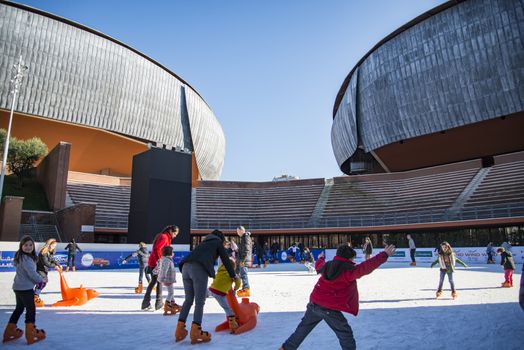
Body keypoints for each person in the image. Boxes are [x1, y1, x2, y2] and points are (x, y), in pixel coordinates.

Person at [279, 244, 396, 350]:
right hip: (328, 308)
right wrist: (384, 255)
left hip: (314, 304)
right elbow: (366, 267)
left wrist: (320, 258)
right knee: (345, 334)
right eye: (352, 259)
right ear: (348, 258)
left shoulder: (327, 265)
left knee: (301, 331)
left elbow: (319, 265)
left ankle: (285, 349)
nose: (353, 261)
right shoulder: (349, 270)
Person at [175, 229, 236, 345]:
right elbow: (226, 261)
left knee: (188, 300)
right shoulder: (218, 242)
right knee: (199, 301)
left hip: (185, 267)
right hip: (198, 268)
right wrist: (233, 275)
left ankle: (179, 330)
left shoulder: (204, 242)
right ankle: (196, 331)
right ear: (221, 238)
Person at [3, 236, 47, 345]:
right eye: (25, 245)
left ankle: (9, 331)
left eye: (30, 245)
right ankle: (31, 333)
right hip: (26, 288)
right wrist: (41, 280)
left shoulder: (20, 257)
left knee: (19, 309)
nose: (28, 247)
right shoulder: (27, 259)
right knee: (31, 310)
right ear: (21, 246)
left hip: (18, 287)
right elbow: (31, 273)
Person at [141, 225, 179, 311]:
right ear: (170, 231)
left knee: (155, 282)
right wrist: (160, 262)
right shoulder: (164, 237)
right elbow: (157, 249)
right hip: (156, 262)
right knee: (158, 282)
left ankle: (148, 303)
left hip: (155, 262)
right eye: (175, 233)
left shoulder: (165, 237)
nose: (175, 235)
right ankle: (157, 303)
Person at [208, 256, 242, 333]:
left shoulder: (220, 269)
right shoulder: (232, 274)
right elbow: (239, 282)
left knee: (203, 295)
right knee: (227, 308)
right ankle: (233, 325)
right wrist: (235, 289)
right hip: (220, 293)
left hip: (211, 289)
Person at [154, 246, 181, 315]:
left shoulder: (164, 259)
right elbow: (164, 270)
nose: (173, 253)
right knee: (171, 293)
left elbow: (158, 267)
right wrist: (163, 278)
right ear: (169, 253)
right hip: (167, 279)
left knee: (171, 292)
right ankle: (167, 306)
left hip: (167, 278)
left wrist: (155, 271)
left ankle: (172, 303)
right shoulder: (167, 260)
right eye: (172, 252)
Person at [34, 238, 61, 307]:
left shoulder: (50, 252)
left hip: (43, 270)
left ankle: (35, 296)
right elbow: (46, 263)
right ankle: (34, 297)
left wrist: (57, 264)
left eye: (55, 246)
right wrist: (55, 266)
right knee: (41, 282)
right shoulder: (44, 252)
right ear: (49, 244)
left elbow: (52, 259)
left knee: (43, 283)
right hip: (39, 269)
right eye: (53, 245)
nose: (54, 247)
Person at [236, 226, 252, 297]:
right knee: (242, 274)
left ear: (241, 230)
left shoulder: (245, 237)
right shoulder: (243, 238)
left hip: (244, 260)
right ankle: (244, 288)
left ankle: (246, 289)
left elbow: (246, 249)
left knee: (244, 275)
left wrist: (243, 259)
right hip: (242, 259)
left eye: (238, 231)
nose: (237, 233)